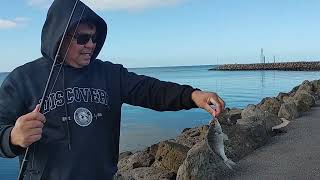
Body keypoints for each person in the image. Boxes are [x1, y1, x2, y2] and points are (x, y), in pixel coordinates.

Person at [0, 0, 225, 179]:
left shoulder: (110, 74)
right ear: (59, 37)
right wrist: (13, 137)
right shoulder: (22, 78)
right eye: (82, 38)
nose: (91, 44)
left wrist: (193, 95)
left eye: (94, 38)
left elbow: (151, 90)